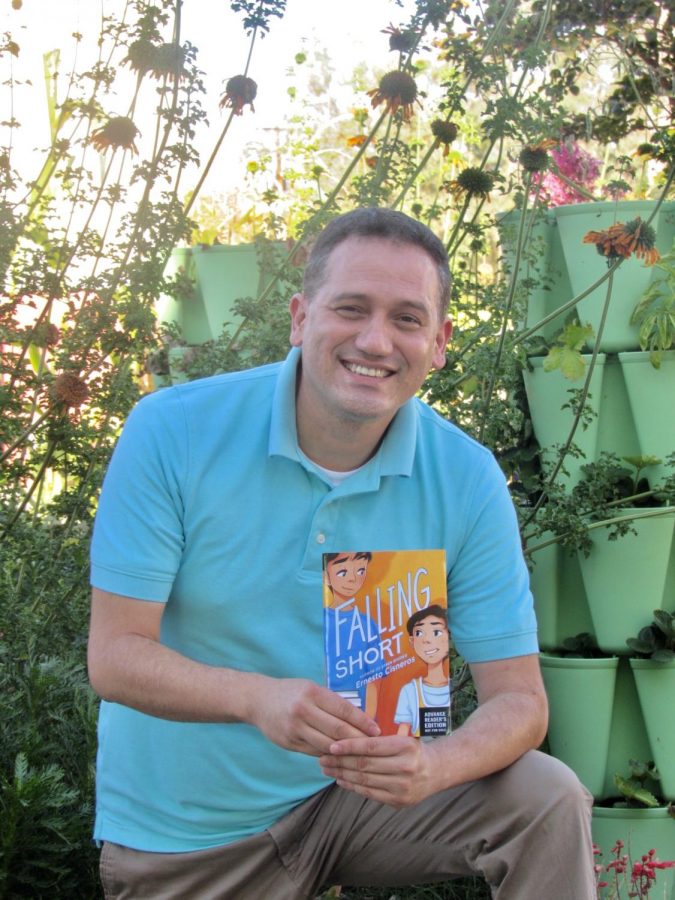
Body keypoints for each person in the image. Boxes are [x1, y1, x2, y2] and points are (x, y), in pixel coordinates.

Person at [88, 207, 596, 899]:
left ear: (440, 342)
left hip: (360, 806)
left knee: (545, 796)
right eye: (350, 308)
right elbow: (115, 657)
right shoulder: (173, 431)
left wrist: (436, 765)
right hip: (192, 838)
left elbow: (519, 702)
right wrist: (255, 699)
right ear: (300, 319)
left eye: (407, 319)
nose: (375, 340)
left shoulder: (464, 475)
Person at [323, 551, 384, 714]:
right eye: (342, 572)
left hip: (360, 715)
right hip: (322, 711)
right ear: (326, 577)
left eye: (360, 571)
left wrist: (369, 723)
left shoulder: (368, 624)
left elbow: (374, 679)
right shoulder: (320, 619)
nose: (353, 578)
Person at [395, 604, 450, 738]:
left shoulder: (455, 687)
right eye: (419, 633)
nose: (427, 640)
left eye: (436, 632)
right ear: (412, 641)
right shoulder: (410, 691)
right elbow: (401, 735)